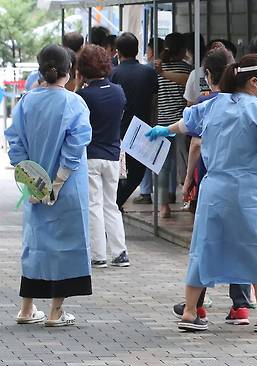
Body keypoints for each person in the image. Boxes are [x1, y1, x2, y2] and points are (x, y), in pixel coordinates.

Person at [147, 54, 257, 333]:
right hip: (250, 191)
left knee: (204, 247)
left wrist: (164, 130)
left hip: (214, 189)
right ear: (254, 81)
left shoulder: (210, 106)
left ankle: (189, 313)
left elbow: (185, 126)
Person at [6, 44, 93, 327]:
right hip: (66, 188)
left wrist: (34, 182)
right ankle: (56, 311)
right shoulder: (74, 103)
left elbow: (15, 144)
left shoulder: (26, 102)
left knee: (35, 244)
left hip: (34, 187)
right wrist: (57, 182)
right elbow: (76, 145)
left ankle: (26, 307)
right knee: (67, 245)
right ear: (70, 73)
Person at [169, 48, 254, 325]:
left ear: (207, 75)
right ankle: (240, 306)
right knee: (240, 242)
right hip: (243, 185)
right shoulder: (246, 102)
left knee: (206, 242)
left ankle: (197, 305)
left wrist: (187, 180)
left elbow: (195, 144)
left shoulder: (204, 103)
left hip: (210, 181)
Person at [76, 45, 129, 269]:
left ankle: (98, 255)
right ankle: (120, 252)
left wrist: (78, 86)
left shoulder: (83, 96)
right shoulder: (118, 91)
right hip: (113, 156)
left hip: (91, 156)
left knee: (94, 205)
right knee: (111, 204)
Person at [111, 33, 159, 210]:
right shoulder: (149, 72)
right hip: (143, 130)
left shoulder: (113, 74)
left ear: (117, 52)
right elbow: (154, 103)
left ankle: (114, 204)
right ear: (137, 49)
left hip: (118, 131)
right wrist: (153, 125)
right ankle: (117, 204)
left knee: (117, 174)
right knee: (137, 174)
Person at [155, 32, 193, 218]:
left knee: (164, 166)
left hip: (162, 121)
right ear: (184, 50)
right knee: (186, 163)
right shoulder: (187, 69)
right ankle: (188, 199)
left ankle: (163, 206)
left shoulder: (158, 70)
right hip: (182, 122)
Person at [134, 37, 166, 206]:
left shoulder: (147, 70)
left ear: (151, 51)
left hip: (150, 117)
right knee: (167, 160)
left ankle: (146, 192)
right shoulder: (181, 68)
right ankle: (167, 195)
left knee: (145, 156)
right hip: (169, 118)